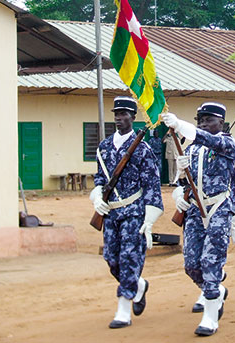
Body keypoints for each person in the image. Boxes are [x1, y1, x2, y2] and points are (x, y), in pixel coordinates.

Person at [162, 102, 235, 336]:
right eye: (200, 120)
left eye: (209, 120)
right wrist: (180, 189)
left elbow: (208, 140)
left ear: (221, 123)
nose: (203, 123)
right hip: (194, 210)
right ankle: (214, 289)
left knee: (210, 262)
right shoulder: (191, 149)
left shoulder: (227, 144)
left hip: (218, 209)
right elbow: (182, 183)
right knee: (191, 264)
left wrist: (180, 125)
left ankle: (211, 315)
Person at [89, 96, 163, 329]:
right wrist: (97, 197)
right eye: (116, 114)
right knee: (112, 260)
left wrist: (149, 219)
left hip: (134, 211)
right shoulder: (104, 146)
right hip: (111, 213)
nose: (119, 119)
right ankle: (138, 285)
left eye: (124, 114)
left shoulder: (142, 148)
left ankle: (123, 309)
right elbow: (100, 178)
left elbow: (152, 183)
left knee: (129, 258)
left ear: (133, 117)